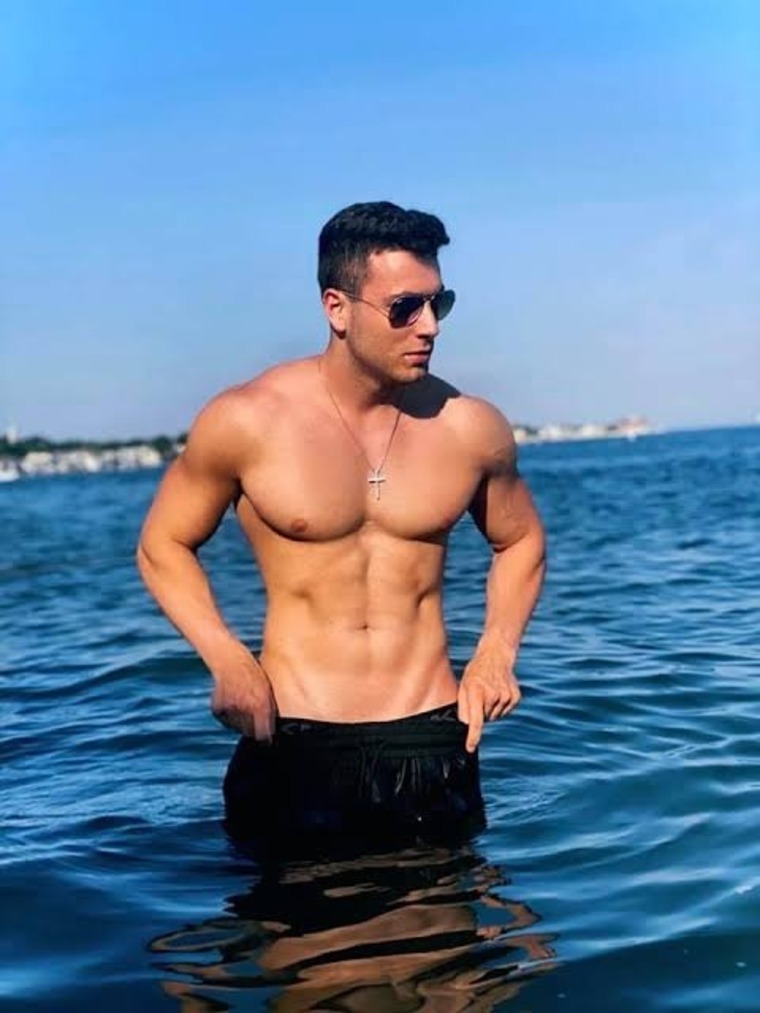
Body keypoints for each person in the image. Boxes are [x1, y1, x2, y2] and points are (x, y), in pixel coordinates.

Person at [137, 201, 545, 853]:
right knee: (301, 919)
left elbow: (520, 539)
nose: (429, 326)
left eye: (439, 303)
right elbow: (164, 544)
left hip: (430, 737)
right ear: (337, 308)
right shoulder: (248, 421)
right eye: (405, 307)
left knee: (446, 920)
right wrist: (227, 659)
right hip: (294, 743)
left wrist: (496, 653)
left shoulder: (469, 426)